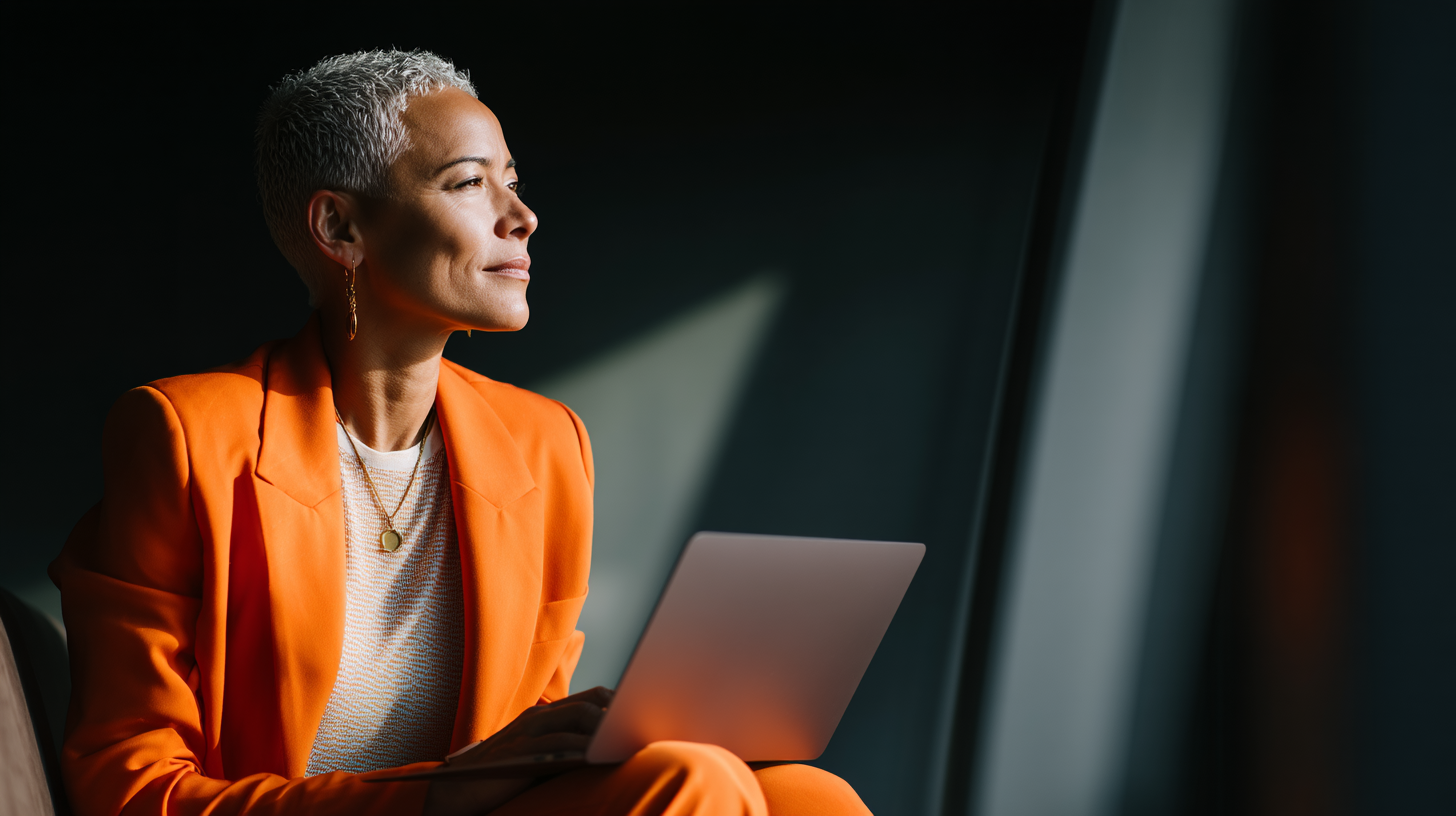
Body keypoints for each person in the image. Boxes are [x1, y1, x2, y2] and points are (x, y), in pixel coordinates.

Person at [49, 50, 872, 816]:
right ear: (340, 229)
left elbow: (529, 726)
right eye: (470, 183)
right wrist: (435, 793)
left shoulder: (546, 443)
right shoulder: (185, 434)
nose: (523, 217)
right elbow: (128, 783)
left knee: (808, 795)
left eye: (513, 181)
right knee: (689, 779)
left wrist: (573, 741)